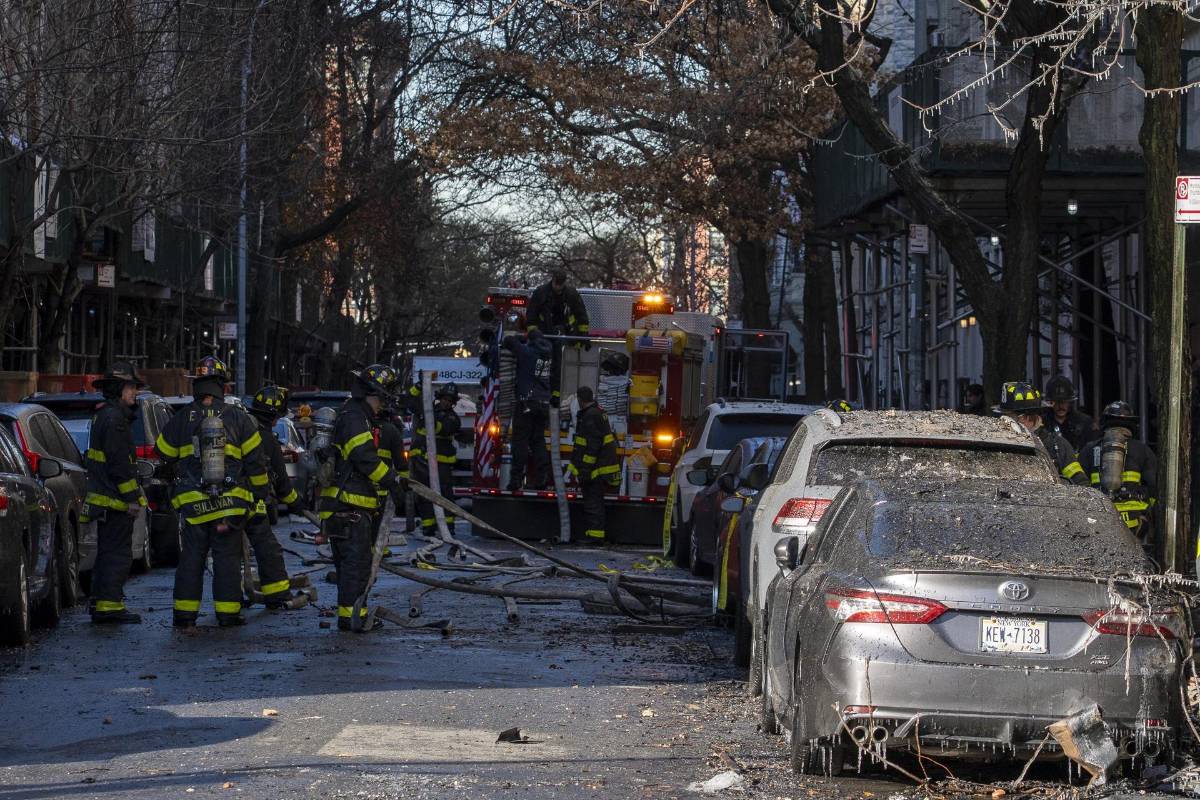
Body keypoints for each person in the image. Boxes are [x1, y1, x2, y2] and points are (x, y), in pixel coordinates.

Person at [155, 356, 269, 628]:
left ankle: (184, 615)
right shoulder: (239, 418)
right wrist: (260, 495)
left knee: (191, 561)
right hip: (229, 506)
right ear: (223, 387)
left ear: (197, 386)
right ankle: (228, 614)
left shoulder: (182, 418)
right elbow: (256, 463)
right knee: (227, 559)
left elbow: (163, 453)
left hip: (194, 506)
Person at [319, 365, 402, 632]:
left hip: (346, 507)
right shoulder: (355, 416)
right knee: (356, 567)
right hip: (349, 507)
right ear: (376, 394)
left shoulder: (358, 415)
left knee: (351, 567)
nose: (383, 406)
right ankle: (352, 618)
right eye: (384, 398)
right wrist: (391, 481)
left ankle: (351, 615)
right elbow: (364, 457)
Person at [82, 362, 149, 624]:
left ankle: (102, 603)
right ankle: (110, 608)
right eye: (131, 388)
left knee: (108, 552)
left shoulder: (105, 415)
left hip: (106, 500)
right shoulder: (115, 420)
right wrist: (132, 499)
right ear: (118, 389)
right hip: (115, 502)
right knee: (118, 554)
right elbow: (120, 465)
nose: (135, 393)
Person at [245, 385, 307, 609]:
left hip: (227, 502)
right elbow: (282, 482)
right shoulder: (268, 440)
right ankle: (278, 596)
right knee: (268, 548)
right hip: (252, 502)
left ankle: (229, 603)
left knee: (229, 552)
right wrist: (296, 503)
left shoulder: (242, 430)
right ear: (273, 416)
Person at [1079, 401, 1157, 542]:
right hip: (1134, 522)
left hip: (1100, 518)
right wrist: (1148, 514)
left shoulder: (1089, 449)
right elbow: (1154, 486)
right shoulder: (1141, 449)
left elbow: (1078, 485)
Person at [995, 381, 1086, 486]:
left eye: (1010, 418)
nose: (1004, 422)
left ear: (1025, 418)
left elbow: (1081, 484)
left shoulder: (1057, 445)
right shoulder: (997, 444)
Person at [526, 269, 589, 407]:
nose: (558, 286)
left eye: (561, 284)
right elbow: (531, 316)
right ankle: (540, 393)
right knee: (545, 364)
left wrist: (582, 336)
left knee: (560, 363)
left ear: (564, 282)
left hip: (564, 333)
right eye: (556, 283)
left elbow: (581, 315)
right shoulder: (541, 293)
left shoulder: (571, 294)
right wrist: (533, 333)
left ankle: (557, 394)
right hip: (543, 334)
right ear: (552, 280)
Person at [407, 382, 462, 533]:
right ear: (440, 397)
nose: (446, 402)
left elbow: (442, 429)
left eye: (450, 400)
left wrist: (427, 415)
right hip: (423, 462)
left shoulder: (453, 418)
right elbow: (410, 401)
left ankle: (448, 527)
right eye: (445, 398)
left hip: (442, 464)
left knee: (445, 495)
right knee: (425, 495)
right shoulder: (429, 409)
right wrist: (418, 387)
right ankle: (428, 526)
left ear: (453, 403)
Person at [569, 386, 620, 544]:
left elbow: (592, 446)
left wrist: (585, 469)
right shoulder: (598, 411)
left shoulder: (590, 415)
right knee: (595, 502)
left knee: (593, 503)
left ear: (580, 400)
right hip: (599, 466)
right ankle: (594, 535)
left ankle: (595, 538)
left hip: (595, 469)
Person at [503, 329, 552, 490]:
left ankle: (516, 479)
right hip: (543, 404)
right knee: (538, 441)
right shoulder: (548, 355)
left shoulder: (528, 353)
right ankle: (542, 476)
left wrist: (518, 338)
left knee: (520, 441)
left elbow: (509, 342)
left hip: (526, 402)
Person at [1042, 374, 1099, 451]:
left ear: (1069, 402)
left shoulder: (1084, 422)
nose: (1060, 406)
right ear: (1051, 402)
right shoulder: (1043, 423)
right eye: (1057, 401)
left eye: (1064, 401)